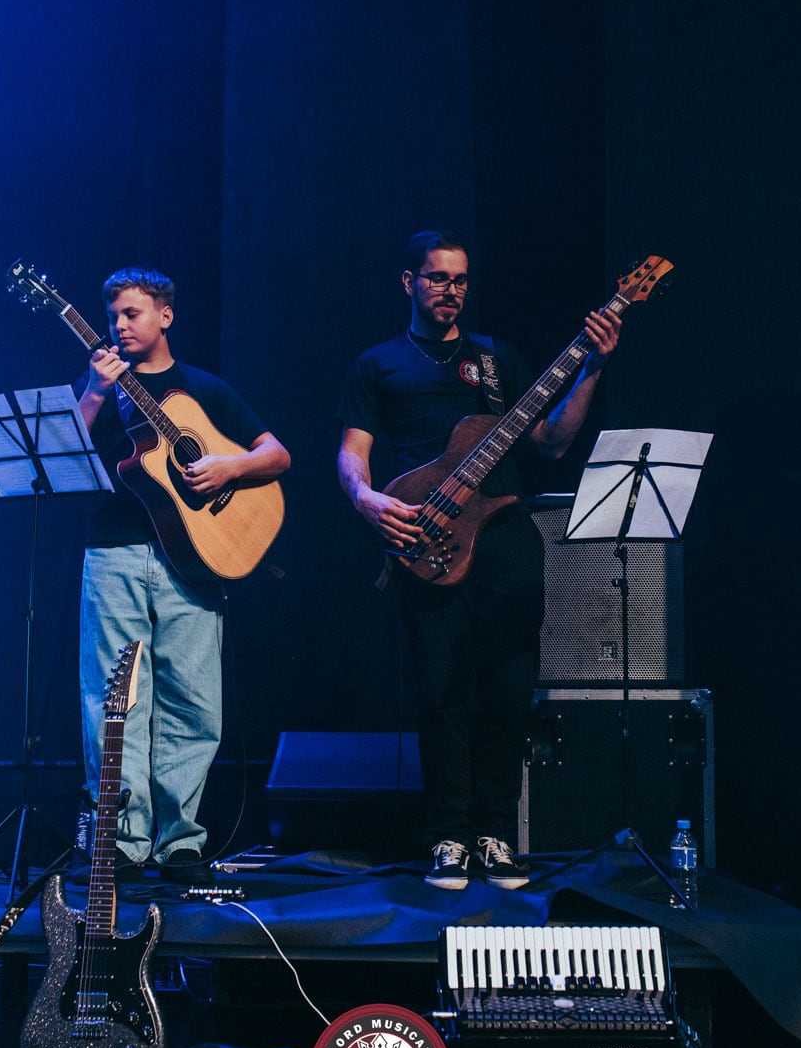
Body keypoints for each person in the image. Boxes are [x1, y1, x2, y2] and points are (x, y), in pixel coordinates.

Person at [336, 231, 621, 889]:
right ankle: (448, 836)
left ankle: (495, 833)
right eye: (438, 277)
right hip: (427, 536)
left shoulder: (497, 359)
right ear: (408, 281)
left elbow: (552, 442)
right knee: (440, 692)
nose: (451, 290)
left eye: (461, 279)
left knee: (508, 689)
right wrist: (366, 498)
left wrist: (592, 370)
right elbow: (353, 450)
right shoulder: (378, 364)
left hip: (506, 536)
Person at [74, 266, 290, 886]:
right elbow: (66, 445)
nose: (119, 326)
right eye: (112, 316)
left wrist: (228, 468)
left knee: (193, 700)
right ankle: (122, 839)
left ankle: (180, 841)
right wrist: (94, 390)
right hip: (115, 549)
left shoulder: (204, 389)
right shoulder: (102, 384)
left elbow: (277, 454)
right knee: (115, 699)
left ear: (165, 315)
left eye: (132, 314)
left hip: (194, 556)